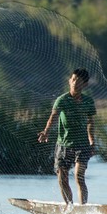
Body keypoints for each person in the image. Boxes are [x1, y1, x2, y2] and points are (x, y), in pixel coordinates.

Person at [37, 68, 96, 206]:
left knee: (79, 177)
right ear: (70, 81)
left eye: (79, 81)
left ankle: (83, 207)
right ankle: (69, 207)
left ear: (85, 84)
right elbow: (53, 117)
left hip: (82, 145)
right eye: (73, 79)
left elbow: (90, 123)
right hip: (63, 145)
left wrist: (92, 142)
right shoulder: (62, 100)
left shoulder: (88, 101)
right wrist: (46, 131)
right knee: (62, 178)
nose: (75, 83)